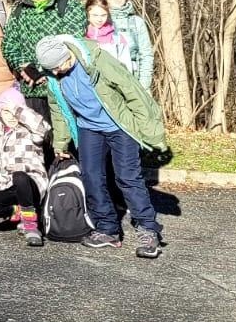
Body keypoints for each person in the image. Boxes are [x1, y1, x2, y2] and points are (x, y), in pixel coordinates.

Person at [36, 35, 168, 259]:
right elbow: (57, 109)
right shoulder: (53, 76)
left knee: (128, 176)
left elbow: (131, 89)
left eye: (59, 66)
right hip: (88, 128)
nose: (57, 72)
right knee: (91, 177)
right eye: (52, 69)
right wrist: (61, 142)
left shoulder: (96, 60)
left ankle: (147, 229)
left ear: (68, 55)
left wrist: (149, 130)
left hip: (119, 126)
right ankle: (107, 228)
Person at [1, 0, 87, 120]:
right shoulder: (20, 12)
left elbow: (73, 42)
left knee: (70, 139)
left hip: (66, 86)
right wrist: (24, 65)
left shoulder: (69, 6)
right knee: (41, 140)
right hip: (33, 90)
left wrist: (42, 69)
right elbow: (8, 45)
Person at [0, 85, 51, 247]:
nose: (11, 116)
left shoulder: (30, 131)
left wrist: (17, 108)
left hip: (30, 182)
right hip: (7, 185)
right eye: (6, 112)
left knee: (20, 176)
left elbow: (43, 128)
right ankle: (18, 211)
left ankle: (31, 225)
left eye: (16, 112)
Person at [104, 0, 155, 91]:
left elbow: (146, 55)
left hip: (133, 81)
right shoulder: (97, 20)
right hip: (105, 84)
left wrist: (143, 86)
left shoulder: (136, 22)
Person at [84, 0, 136, 75]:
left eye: (103, 15)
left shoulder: (117, 39)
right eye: (95, 15)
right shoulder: (82, 36)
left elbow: (126, 68)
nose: (99, 19)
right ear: (87, 15)